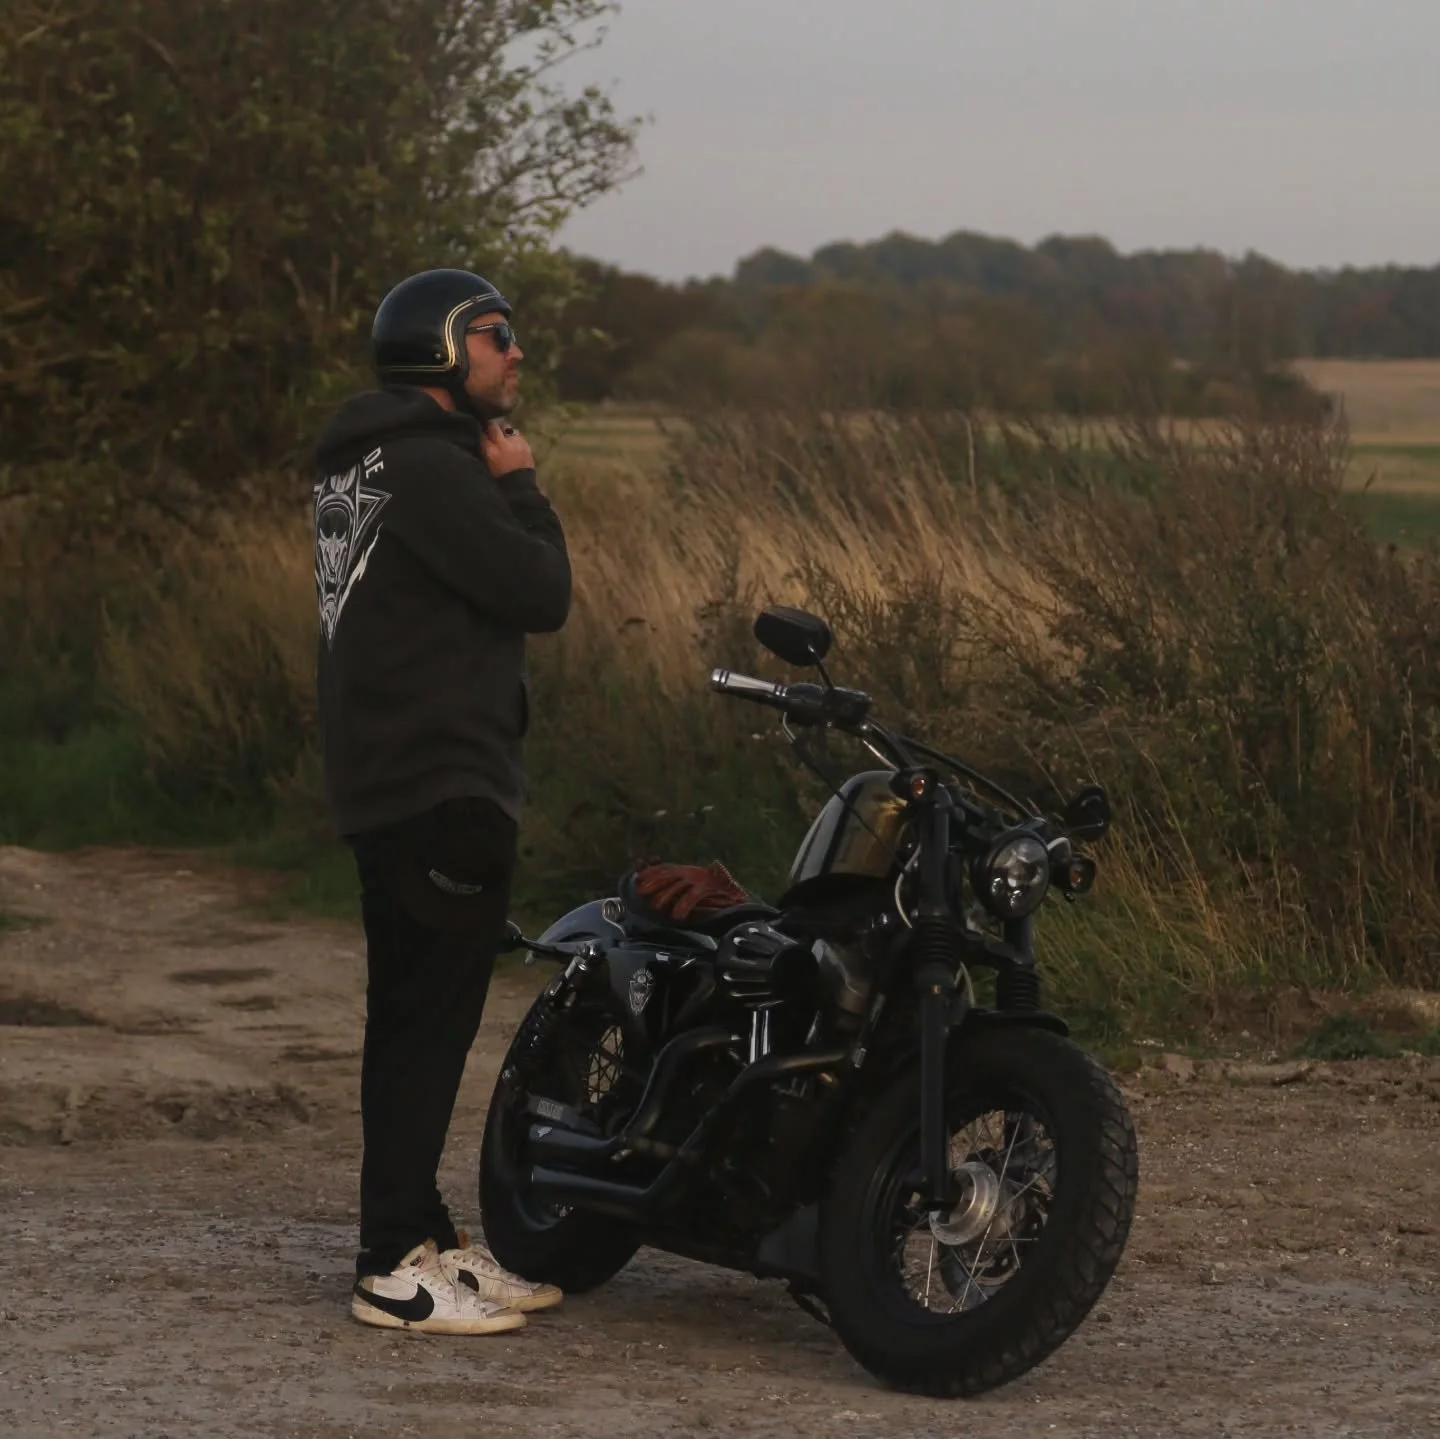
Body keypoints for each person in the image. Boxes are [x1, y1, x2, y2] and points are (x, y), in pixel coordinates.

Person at [311, 268, 571, 1335]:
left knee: (417, 1017)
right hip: (441, 779)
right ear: (439, 350)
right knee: (426, 1024)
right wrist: (522, 485)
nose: (516, 354)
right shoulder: (436, 467)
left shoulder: (363, 463)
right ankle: (391, 1265)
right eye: (496, 336)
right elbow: (540, 593)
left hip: (392, 778)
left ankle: (426, 1239)